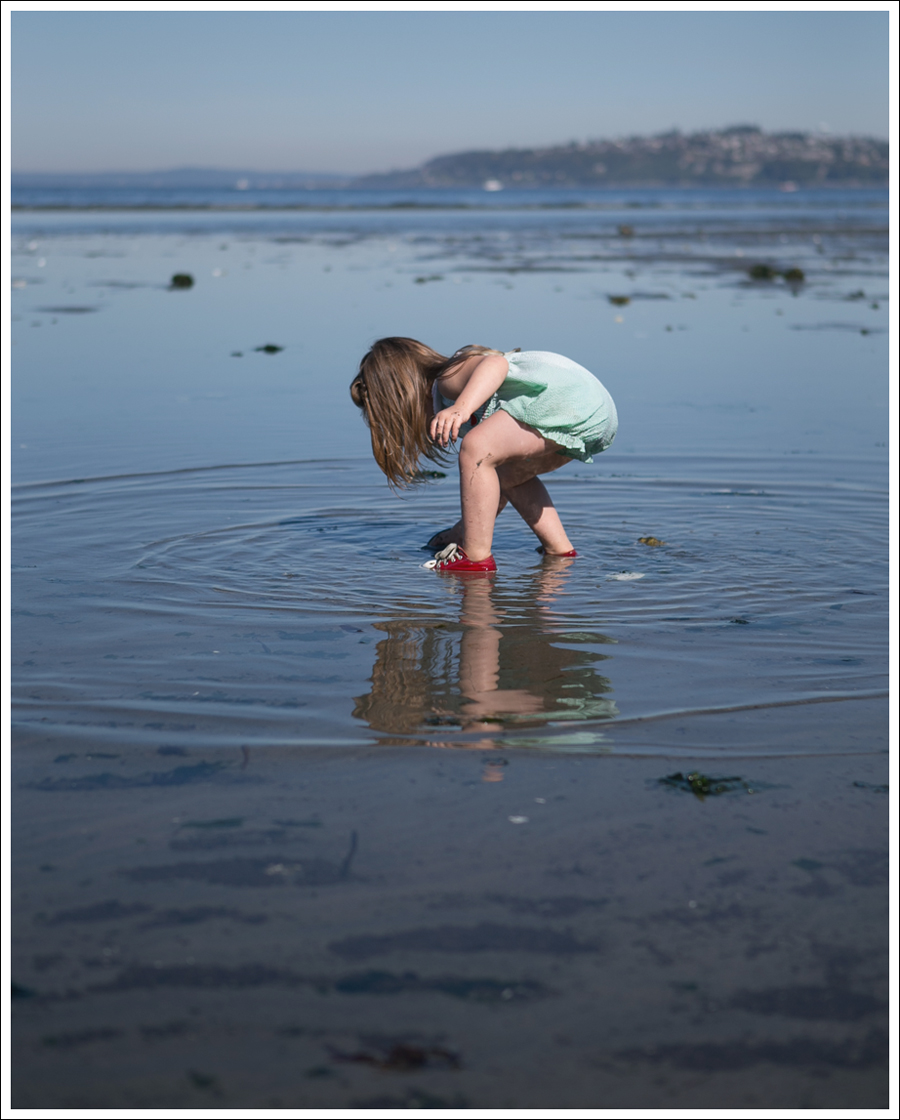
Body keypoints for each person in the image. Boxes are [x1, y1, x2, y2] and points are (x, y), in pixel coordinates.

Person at [350, 337, 617, 572]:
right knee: (506, 476)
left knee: (475, 447)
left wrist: (462, 408)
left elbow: (495, 364)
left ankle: (476, 560)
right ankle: (561, 552)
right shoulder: (451, 390)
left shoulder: (447, 378)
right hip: (595, 413)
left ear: (403, 394)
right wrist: (461, 532)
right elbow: (486, 494)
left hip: (564, 398)